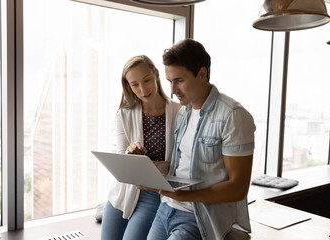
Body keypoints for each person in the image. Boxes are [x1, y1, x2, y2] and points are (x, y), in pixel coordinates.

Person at [139, 39, 256, 240]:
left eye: (179, 80)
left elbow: (238, 188)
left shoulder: (233, 116)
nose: (173, 90)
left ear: (202, 74)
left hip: (198, 215)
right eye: (169, 81)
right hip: (166, 208)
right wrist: (148, 169)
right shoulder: (185, 112)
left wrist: (185, 196)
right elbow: (183, 168)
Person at [101, 55, 181, 240]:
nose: (143, 89)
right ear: (128, 86)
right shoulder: (124, 114)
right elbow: (121, 165)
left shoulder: (180, 113)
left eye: (146, 80)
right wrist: (130, 156)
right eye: (135, 84)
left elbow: (181, 164)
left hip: (154, 194)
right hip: (124, 191)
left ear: (157, 75)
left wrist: (152, 165)